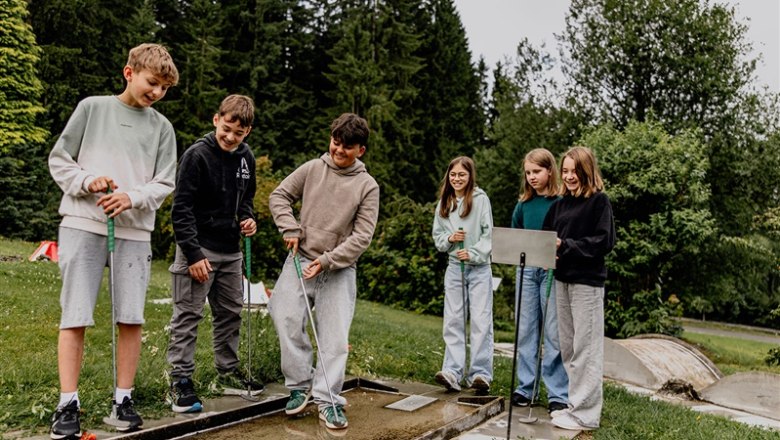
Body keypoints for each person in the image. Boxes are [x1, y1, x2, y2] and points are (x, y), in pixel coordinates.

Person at [47, 43, 179, 439]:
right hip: (83, 223)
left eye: (163, 88)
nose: (156, 92)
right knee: (76, 314)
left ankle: (123, 400)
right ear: (129, 72)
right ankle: (67, 403)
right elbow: (60, 159)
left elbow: (164, 182)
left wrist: (131, 196)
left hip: (134, 233)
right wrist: (89, 181)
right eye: (151, 82)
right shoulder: (92, 108)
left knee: (131, 317)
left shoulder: (162, 128)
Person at [268, 113, 379, 430]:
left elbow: (362, 237)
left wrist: (329, 260)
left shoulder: (367, 186)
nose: (338, 150)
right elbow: (279, 195)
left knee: (333, 338)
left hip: (339, 269)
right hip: (300, 257)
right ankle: (299, 386)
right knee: (284, 314)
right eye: (335, 143)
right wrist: (290, 227)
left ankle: (328, 400)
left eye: (347, 147)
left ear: (361, 150)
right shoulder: (312, 168)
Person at [165, 94, 264, 414]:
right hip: (198, 250)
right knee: (188, 315)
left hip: (230, 250)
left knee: (231, 312)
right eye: (227, 129)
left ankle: (228, 372)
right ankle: (179, 380)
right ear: (216, 120)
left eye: (238, 133)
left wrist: (248, 218)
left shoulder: (246, 158)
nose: (231, 137)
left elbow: (246, 198)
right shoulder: (197, 155)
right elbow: (181, 209)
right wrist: (193, 254)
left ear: (247, 132)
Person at [543, 146, 615, 431]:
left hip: (587, 283)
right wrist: (549, 250)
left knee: (586, 348)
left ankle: (586, 415)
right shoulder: (559, 205)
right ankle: (574, 406)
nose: (569, 176)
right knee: (568, 347)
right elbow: (547, 237)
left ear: (587, 171)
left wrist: (567, 246)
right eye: (565, 171)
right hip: (562, 280)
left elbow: (603, 241)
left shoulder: (599, 202)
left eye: (575, 171)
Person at [510, 148, 570, 416]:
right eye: (528, 172)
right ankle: (526, 388)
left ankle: (557, 393)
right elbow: (515, 237)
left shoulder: (561, 202)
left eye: (537, 172)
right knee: (526, 331)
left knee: (554, 334)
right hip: (526, 272)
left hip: (551, 272)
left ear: (550, 171)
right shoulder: (523, 205)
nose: (532, 177)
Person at [432, 156, 494, 394]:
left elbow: (488, 233)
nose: (457, 179)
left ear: (470, 177)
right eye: (453, 175)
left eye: (462, 175)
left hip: (478, 269)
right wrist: (449, 239)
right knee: (454, 318)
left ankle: (480, 373)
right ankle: (453, 371)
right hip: (454, 267)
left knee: (480, 320)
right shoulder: (445, 203)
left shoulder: (480, 200)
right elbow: (438, 236)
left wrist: (474, 253)